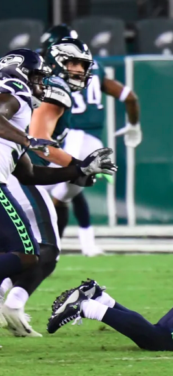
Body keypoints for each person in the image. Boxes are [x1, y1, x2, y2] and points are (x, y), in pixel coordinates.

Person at [0, 49, 117, 342]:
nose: (41, 85)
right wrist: (29, 140)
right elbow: (32, 140)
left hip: (8, 179)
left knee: (27, 253)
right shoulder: (15, 89)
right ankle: (12, 302)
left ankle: (11, 300)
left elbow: (29, 174)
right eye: (38, 77)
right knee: (31, 253)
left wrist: (79, 169)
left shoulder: (17, 120)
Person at [39, 24, 142, 255]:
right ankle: (76, 247)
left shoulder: (53, 70)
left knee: (41, 193)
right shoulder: (95, 67)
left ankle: (45, 251)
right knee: (61, 195)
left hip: (67, 137)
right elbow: (130, 97)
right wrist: (134, 126)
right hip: (92, 143)